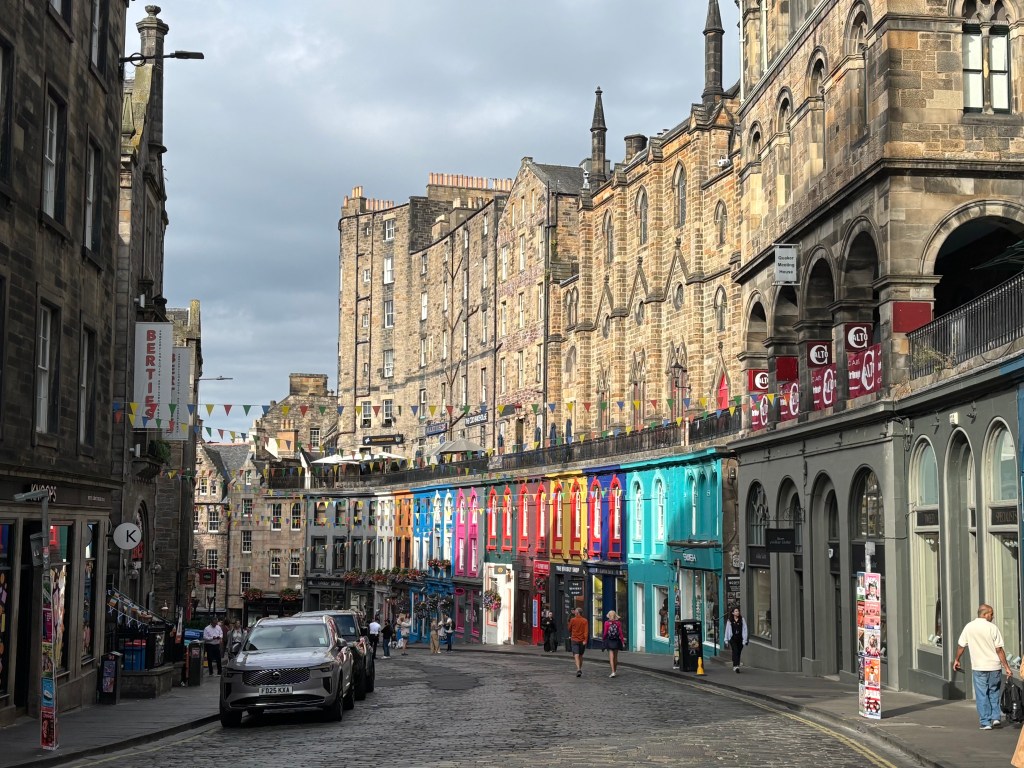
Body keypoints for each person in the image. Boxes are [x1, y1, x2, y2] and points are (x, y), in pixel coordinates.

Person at [953, 603, 1014, 729]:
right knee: (994, 692)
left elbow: (961, 646)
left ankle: (985, 722)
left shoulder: (969, 627)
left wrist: (957, 659)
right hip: (994, 666)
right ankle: (996, 718)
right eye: (991, 614)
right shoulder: (992, 628)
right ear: (985, 614)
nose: (993, 616)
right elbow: (999, 650)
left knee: (982, 694)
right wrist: (1007, 667)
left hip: (979, 667)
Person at [602, 610, 626, 678]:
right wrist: (622, 641)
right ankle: (614, 671)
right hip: (616, 641)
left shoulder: (606, 623)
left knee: (611, 657)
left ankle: (612, 672)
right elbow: (620, 633)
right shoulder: (618, 623)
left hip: (609, 641)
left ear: (609, 616)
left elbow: (605, 633)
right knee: (615, 657)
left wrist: (603, 639)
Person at [724, 607, 749, 672]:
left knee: (738, 652)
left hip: (740, 638)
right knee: (735, 651)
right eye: (736, 611)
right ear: (732, 613)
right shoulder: (730, 620)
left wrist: (745, 640)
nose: (737, 612)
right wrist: (726, 639)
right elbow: (727, 630)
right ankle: (736, 666)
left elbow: (745, 629)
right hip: (733, 638)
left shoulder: (742, 620)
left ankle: (736, 664)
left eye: (738, 611)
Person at [568, 607, 589, 678]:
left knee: (576, 655)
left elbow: (569, 628)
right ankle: (579, 668)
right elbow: (586, 632)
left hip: (574, 639)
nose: (574, 613)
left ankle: (578, 669)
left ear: (577, 613)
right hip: (582, 640)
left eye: (575, 612)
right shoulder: (585, 620)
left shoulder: (572, 620)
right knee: (580, 655)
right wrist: (585, 640)